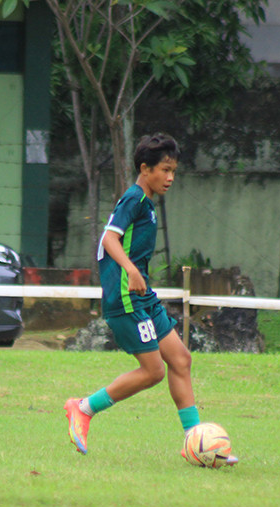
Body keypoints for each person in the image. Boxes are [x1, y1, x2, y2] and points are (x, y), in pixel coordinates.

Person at [64, 133, 236, 465]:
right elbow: (109, 238)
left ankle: (197, 442)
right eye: (165, 170)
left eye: (174, 171)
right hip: (126, 300)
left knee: (181, 360)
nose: (171, 178)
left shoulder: (147, 202)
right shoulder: (133, 198)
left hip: (143, 298)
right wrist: (130, 269)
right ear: (145, 168)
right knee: (154, 371)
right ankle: (82, 408)